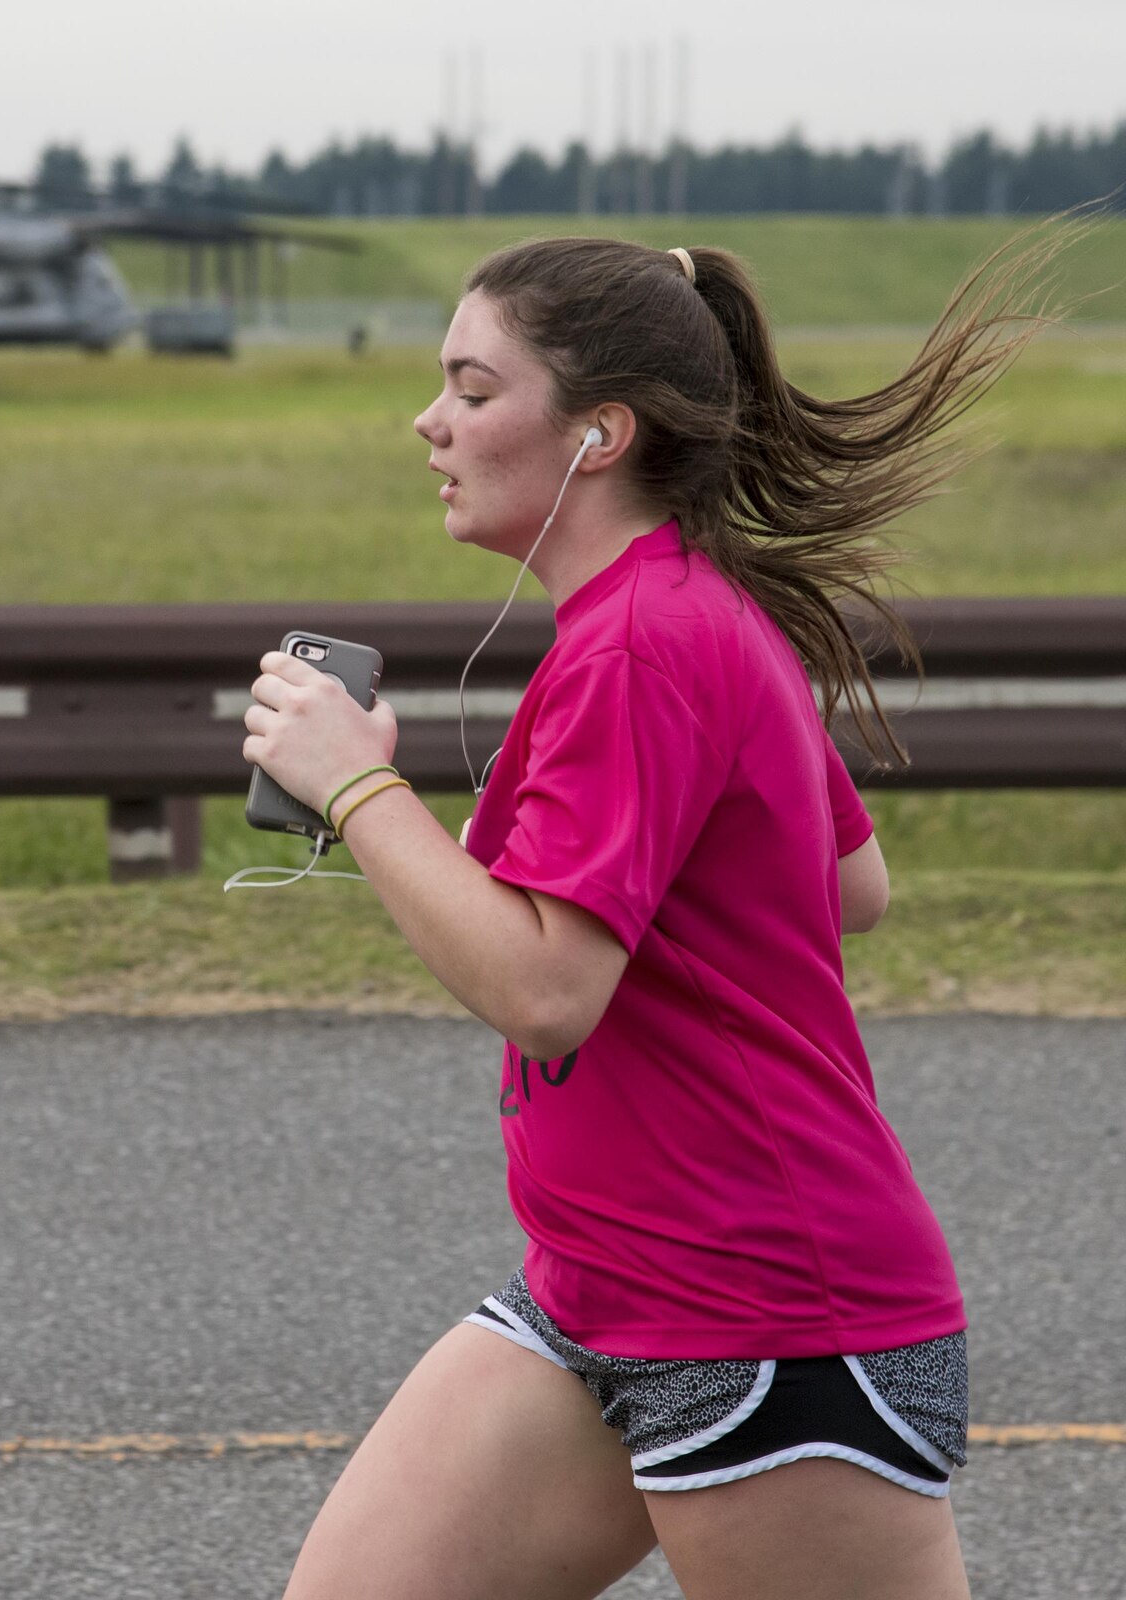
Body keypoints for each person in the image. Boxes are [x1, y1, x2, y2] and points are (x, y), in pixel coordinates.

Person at [239, 220, 1088, 1600]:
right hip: (598, 1287)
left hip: (768, 1317)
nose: (427, 422)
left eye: (470, 388)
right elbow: (848, 884)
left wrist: (355, 790)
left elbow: (545, 989)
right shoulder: (678, 614)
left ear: (599, 434)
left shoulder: (643, 645)